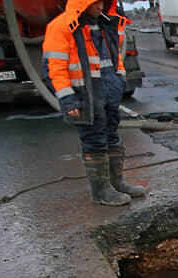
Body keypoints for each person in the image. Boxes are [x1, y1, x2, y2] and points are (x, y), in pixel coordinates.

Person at [43, 0, 146, 206]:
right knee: (94, 141)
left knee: (112, 136)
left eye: (103, 2)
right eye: (96, 2)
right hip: (85, 96)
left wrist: (119, 79)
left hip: (108, 92)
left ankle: (116, 182)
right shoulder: (62, 27)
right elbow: (55, 69)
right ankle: (101, 191)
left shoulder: (104, 23)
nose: (100, 6)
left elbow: (115, 57)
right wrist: (69, 100)